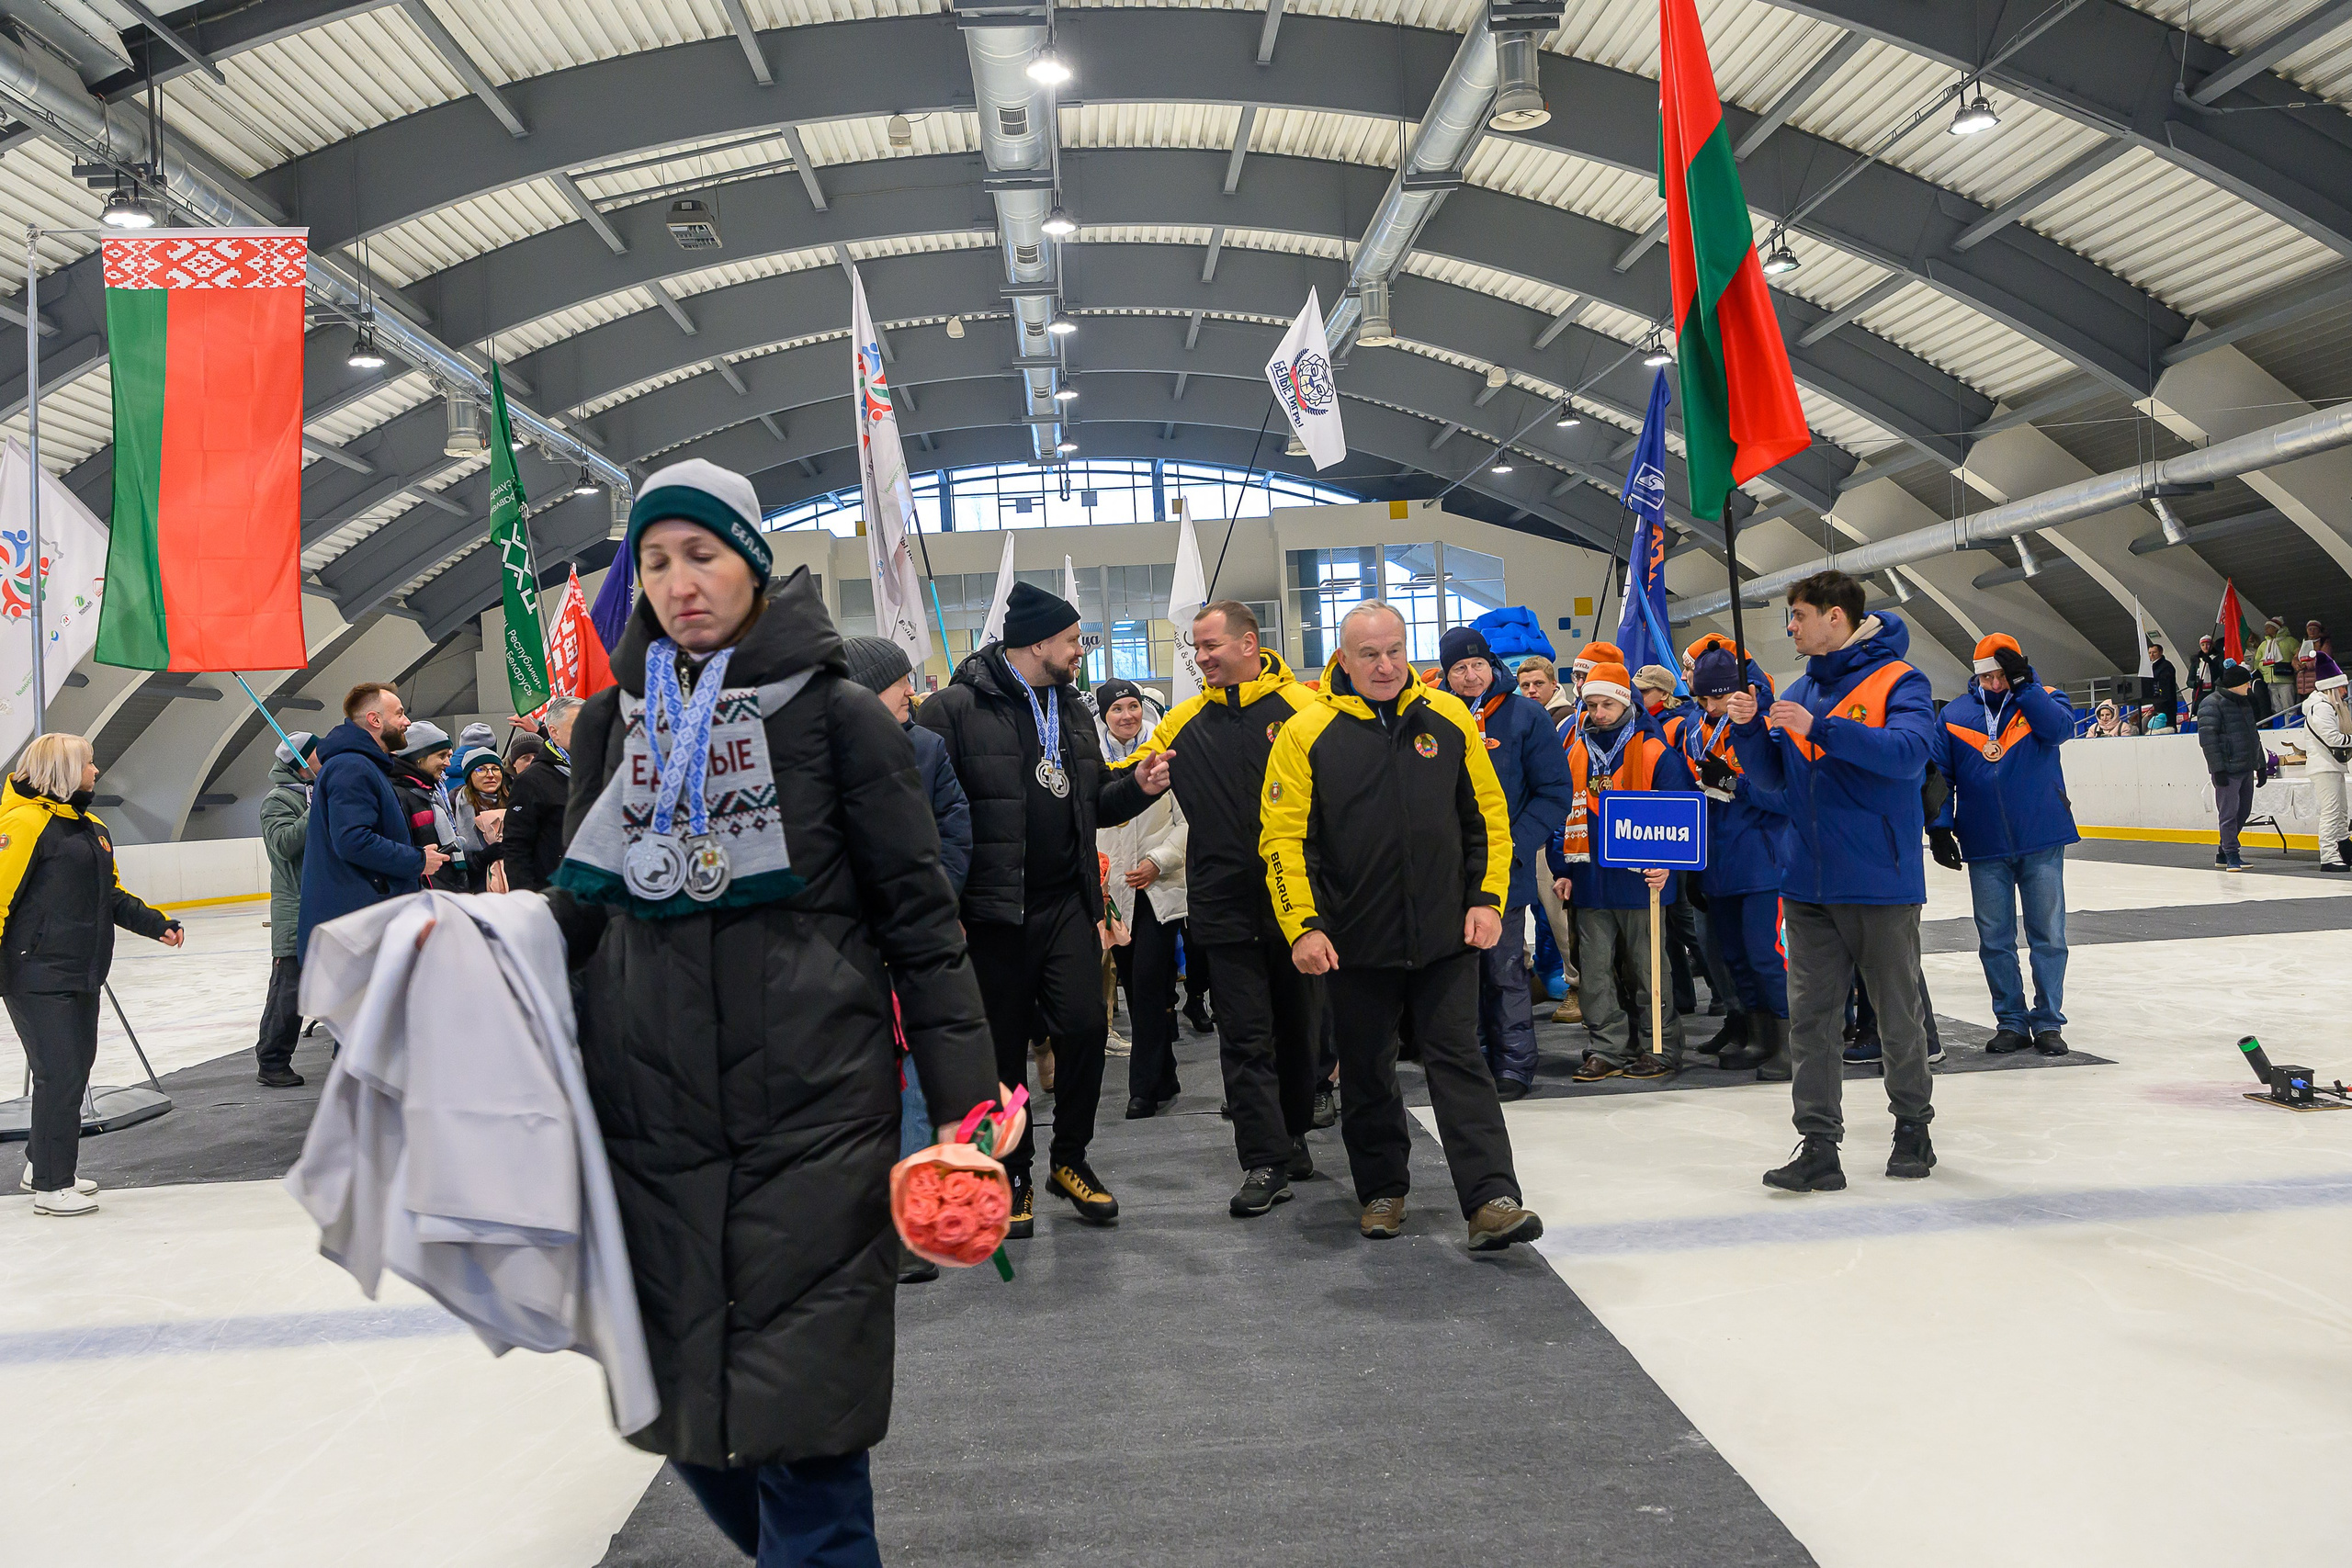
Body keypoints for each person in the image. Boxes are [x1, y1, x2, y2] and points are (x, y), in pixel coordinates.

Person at [551, 458, 996, 1564]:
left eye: (701, 555)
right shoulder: (612, 726)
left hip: (813, 1118)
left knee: (806, 1434)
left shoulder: (841, 716)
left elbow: (918, 920)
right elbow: (580, 913)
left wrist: (965, 1107)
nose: (678, 582)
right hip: (649, 1123)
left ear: (751, 563)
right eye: (654, 562)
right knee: (684, 1418)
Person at [1261, 601, 1545, 1252]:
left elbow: (1488, 821)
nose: (1386, 665)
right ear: (1343, 658)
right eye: (1370, 654)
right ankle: (1382, 1189)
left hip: (1448, 934)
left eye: (1395, 649)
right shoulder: (1306, 733)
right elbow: (1282, 841)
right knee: (1366, 1070)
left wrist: (1487, 899)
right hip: (1353, 942)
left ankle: (1492, 1198)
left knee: (1459, 1059)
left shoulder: (1447, 719)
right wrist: (1302, 925)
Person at [917, 580, 1161, 1235]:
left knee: (1084, 1028)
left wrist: (1134, 787)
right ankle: (1014, 1173)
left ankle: (1070, 1159)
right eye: (1073, 640)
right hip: (991, 914)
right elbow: (928, 814)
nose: (1081, 650)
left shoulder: (1074, 710)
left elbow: (1091, 803)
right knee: (1001, 1056)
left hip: (1063, 906)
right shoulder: (954, 710)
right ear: (1036, 643)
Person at [1099, 603, 1322, 1215]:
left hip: (1297, 905)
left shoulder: (1307, 711)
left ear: (1249, 644)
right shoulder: (1184, 722)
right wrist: (1117, 786)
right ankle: (1264, 1158)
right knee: (1244, 1035)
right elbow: (1121, 784)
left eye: (1209, 646)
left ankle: (1295, 1131)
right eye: (1195, 648)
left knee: (1299, 1028)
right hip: (1220, 904)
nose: (1200, 658)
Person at [1729, 571, 1940, 1193]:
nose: (1790, 626)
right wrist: (1748, 728)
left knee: (1897, 1016)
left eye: (1798, 615)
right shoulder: (1799, 690)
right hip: (1807, 884)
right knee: (1811, 1020)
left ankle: (1912, 1125)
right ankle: (1818, 1142)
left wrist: (1818, 728)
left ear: (1835, 619)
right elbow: (1771, 779)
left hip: (1880, 880)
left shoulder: (1901, 681)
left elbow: (1907, 756)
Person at [0, 733, 184, 1216]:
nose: (96, 772)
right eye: (88, 763)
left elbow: (113, 895)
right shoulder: (23, 824)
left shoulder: (92, 827)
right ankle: (51, 1186)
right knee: (59, 1074)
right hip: (34, 973)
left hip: (83, 971)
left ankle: (42, 1163)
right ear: (62, 770)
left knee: (73, 1071)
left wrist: (156, 923)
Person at [1439, 626, 1576, 1100]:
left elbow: (1555, 792)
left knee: (1504, 969)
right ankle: (1471, 1061)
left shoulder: (1526, 716)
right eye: (1459, 668)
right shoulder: (1431, 717)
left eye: (1477, 665)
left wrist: (1513, 843)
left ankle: (1515, 1065)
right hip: (1445, 875)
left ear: (1492, 665)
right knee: (1458, 974)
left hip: (1505, 870)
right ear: (1447, 675)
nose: (1471, 675)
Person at [1928, 635, 2078, 1055]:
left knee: (2048, 934)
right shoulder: (1955, 714)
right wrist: (1939, 828)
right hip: (1983, 841)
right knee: (1994, 938)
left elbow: (2060, 731)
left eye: (2002, 676)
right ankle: (2010, 1020)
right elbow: (1941, 773)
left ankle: (2048, 1021)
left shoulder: (2044, 698)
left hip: (2041, 836)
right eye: (1987, 677)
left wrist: (2025, 686)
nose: (1995, 685)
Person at [1548, 662, 1699, 1081]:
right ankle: (1607, 1048)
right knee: (1594, 974)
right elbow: (1561, 816)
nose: (1599, 713)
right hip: (1590, 880)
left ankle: (1660, 1047)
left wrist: (1668, 864)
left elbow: (1682, 816)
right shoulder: (1576, 751)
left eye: (1607, 704)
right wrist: (1561, 868)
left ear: (1626, 701)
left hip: (1642, 881)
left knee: (1650, 971)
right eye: (1591, 704)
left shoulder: (1654, 750)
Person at [1678, 646, 1790, 1078]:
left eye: (1719, 698)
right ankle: (1757, 1032)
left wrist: (1733, 784)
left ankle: (1790, 1039)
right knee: (1734, 956)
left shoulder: (1767, 727)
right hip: (1714, 861)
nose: (1711, 707)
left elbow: (1784, 797)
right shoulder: (1692, 727)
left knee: (1765, 953)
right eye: (1704, 699)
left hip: (1761, 859)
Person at [1089, 677, 1189, 1121]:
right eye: (1116, 709)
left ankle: (1143, 1089)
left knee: (1147, 986)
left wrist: (1158, 860)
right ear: (1104, 715)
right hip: (1114, 893)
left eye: (1133, 706)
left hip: (1158, 888)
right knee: (1134, 984)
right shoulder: (1090, 761)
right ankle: (1164, 1073)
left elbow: (1189, 823)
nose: (1126, 715)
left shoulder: (1168, 755)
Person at [300, 684, 448, 960]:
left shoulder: (365, 766)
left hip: (363, 922)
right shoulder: (352, 767)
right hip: (356, 927)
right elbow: (353, 841)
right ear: (375, 720)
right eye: (400, 714)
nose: (407, 722)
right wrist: (417, 860)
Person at [1510, 653, 1581, 1024]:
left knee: (1560, 918)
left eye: (1538, 683)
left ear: (1555, 684)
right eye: (1525, 685)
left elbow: (1558, 786)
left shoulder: (1567, 721)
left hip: (1553, 835)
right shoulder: (1514, 718)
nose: (1532, 690)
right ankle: (1527, 979)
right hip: (1520, 836)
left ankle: (1579, 986)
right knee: (1515, 919)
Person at [255, 729, 318, 1088]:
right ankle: (272, 1059)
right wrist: (317, 808)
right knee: (289, 988)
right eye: (316, 754)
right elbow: (284, 844)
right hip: (294, 908)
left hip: (320, 903)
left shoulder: (310, 796)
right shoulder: (277, 801)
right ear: (301, 760)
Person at [501, 696, 582, 893]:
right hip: (555, 895)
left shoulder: (599, 770)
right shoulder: (531, 780)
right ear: (554, 732)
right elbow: (516, 847)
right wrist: (527, 898)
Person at [2198, 660, 2264, 873]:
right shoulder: (2211, 703)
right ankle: (2232, 856)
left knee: (2243, 812)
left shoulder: (2244, 702)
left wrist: (2260, 764)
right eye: (2247, 683)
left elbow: (2253, 736)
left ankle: (2222, 851)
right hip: (2227, 769)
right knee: (2228, 814)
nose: (2249, 687)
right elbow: (2208, 740)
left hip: (2245, 767)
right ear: (2236, 684)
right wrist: (2217, 768)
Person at [2303, 655, 2352, 872]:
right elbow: (2332, 738)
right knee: (2332, 812)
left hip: (2331, 766)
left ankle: (2343, 850)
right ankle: (2329, 855)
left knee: (2340, 812)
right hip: (2324, 767)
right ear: (2331, 687)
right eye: (2342, 687)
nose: (2345, 692)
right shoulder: (2321, 708)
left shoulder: (2327, 706)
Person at [447, 748, 509, 893]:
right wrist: (479, 859)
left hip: (512, 883)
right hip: (473, 888)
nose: (490, 775)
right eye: (481, 770)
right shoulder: (454, 804)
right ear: (469, 776)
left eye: (495, 769)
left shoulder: (514, 800)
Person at [2257, 619, 2299, 722]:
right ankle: (2279, 726)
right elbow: (2257, 661)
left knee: (2288, 706)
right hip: (2270, 680)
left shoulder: (2290, 641)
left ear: (2276, 628)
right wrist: (2263, 669)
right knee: (2276, 707)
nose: (2266, 629)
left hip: (2285, 679)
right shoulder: (2264, 644)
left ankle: (2292, 726)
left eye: (2269, 627)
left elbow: (2299, 655)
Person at [2148, 643, 2178, 732]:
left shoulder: (2166, 666)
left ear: (2161, 652)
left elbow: (2166, 686)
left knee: (2168, 727)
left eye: (2154, 652)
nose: (2152, 655)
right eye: (2150, 653)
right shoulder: (2151, 666)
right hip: (2157, 703)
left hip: (2166, 704)